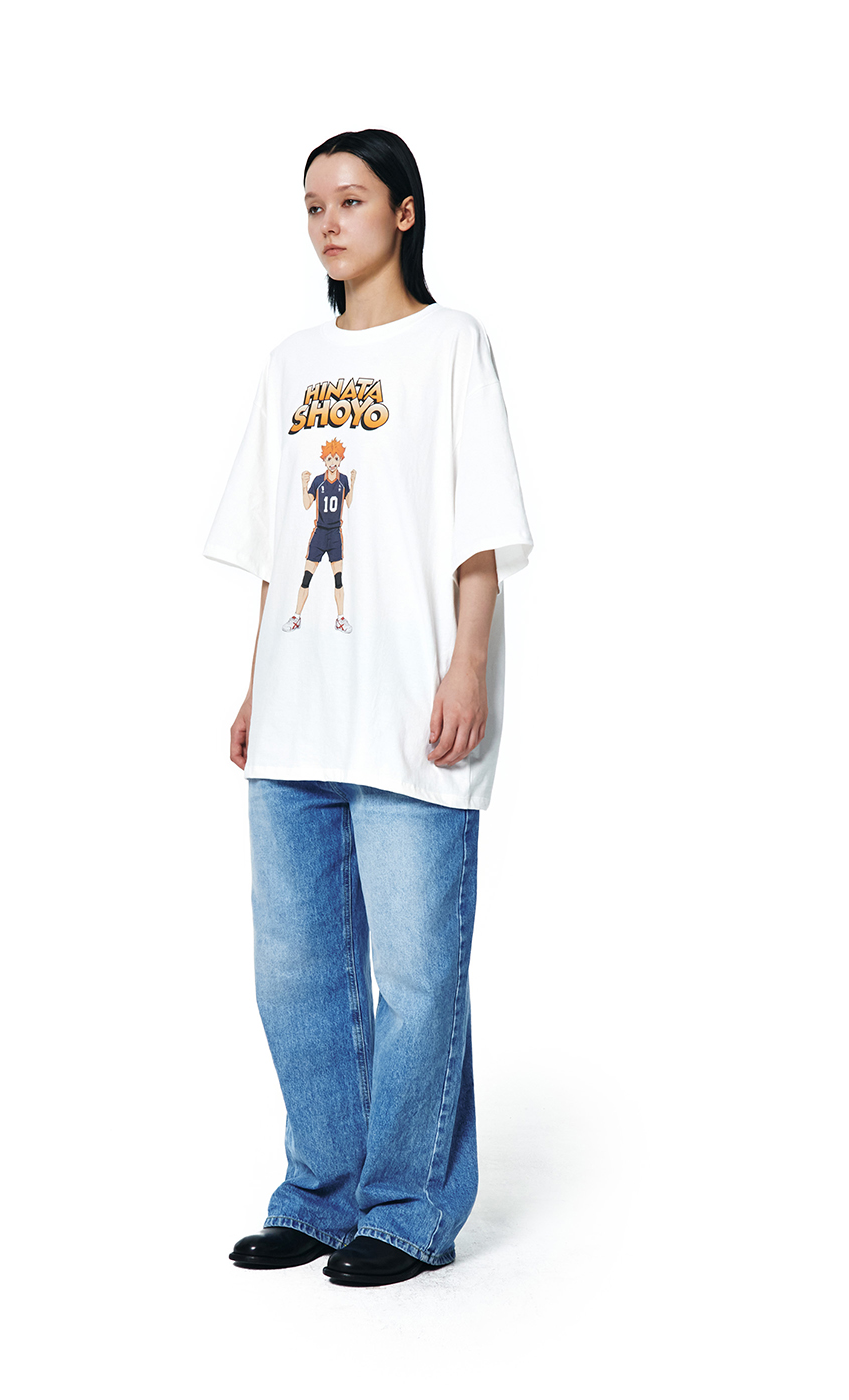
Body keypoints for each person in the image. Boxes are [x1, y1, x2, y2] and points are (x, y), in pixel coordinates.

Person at [202, 128, 533, 1287]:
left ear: (403, 212)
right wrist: (257, 681)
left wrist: (468, 664)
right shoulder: (291, 362)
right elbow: (275, 542)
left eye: (349, 199)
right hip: (298, 710)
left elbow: (480, 527)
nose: (326, 222)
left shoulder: (452, 345)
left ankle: (405, 1209)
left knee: (418, 974)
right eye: (311, 205)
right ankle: (318, 1193)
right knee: (297, 972)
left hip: (408, 707)